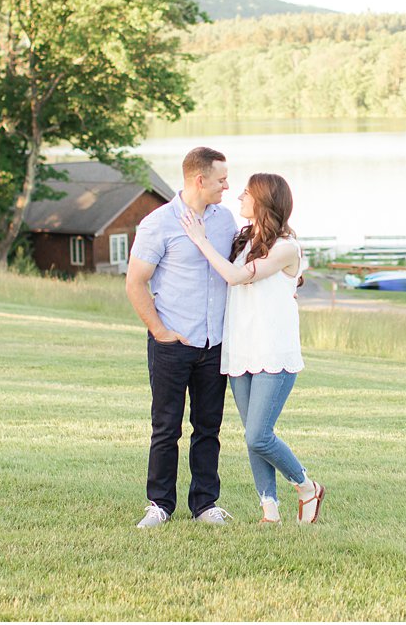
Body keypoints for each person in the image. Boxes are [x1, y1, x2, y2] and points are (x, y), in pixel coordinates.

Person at [180, 172, 325, 525]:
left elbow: (235, 276)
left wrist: (200, 240)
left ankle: (307, 487)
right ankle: (269, 511)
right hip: (240, 349)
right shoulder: (243, 238)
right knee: (252, 437)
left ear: (264, 200)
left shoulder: (286, 247)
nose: (239, 196)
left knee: (260, 435)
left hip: (273, 351)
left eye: (246, 192)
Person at [125, 146, 239, 528]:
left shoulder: (226, 222)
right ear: (199, 180)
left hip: (214, 345)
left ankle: (205, 504)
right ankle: (159, 504)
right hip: (173, 344)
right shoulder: (158, 224)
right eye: (222, 179)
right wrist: (160, 332)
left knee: (209, 428)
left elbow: (243, 267)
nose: (228, 185)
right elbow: (135, 282)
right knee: (166, 427)